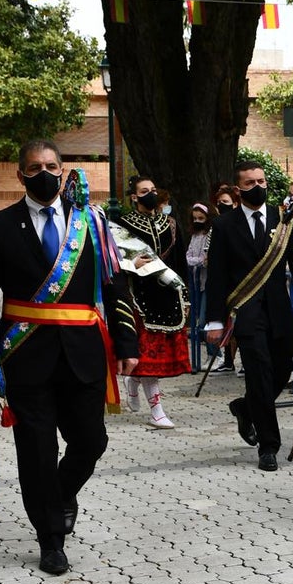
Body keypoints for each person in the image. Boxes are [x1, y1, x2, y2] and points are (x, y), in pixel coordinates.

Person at [0, 139, 139, 575]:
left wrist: (127, 342)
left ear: (63, 171)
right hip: (25, 355)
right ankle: (50, 538)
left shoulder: (91, 223)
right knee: (37, 450)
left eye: (52, 165)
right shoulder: (0, 227)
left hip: (83, 352)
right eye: (35, 167)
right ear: (21, 174)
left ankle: (61, 495)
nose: (44, 173)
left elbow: (115, 285)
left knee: (91, 441)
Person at [205, 160, 293, 471]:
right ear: (238, 190)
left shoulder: (284, 220)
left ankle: (245, 407)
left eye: (261, 181)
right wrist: (214, 320)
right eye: (250, 183)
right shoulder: (224, 225)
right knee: (259, 373)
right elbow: (217, 276)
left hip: (279, 309)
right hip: (247, 313)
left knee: (284, 361)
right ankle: (269, 445)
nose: (258, 187)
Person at [117, 177, 191, 429]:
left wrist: (186, 295)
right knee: (147, 358)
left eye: (153, 190)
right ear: (134, 197)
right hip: (139, 295)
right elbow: (113, 257)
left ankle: (134, 381)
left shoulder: (170, 224)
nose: (150, 194)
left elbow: (180, 261)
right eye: (144, 191)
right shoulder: (122, 223)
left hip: (168, 295)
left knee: (154, 360)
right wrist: (130, 263)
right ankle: (157, 410)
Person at [209, 184, 240, 374]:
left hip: (243, 285)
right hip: (226, 285)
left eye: (226, 202)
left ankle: (241, 360)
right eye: (219, 202)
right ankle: (227, 359)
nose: (222, 205)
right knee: (229, 324)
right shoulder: (219, 225)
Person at [185, 203, 217, 366]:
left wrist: (197, 261)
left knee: (204, 319)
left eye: (201, 218)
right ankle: (211, 354)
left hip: (208, 282)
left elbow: (206, 259)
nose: (198, 221)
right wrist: (197, 261)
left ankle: (214, 354)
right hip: (197, 282)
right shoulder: (195, 235)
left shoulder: (210, 234)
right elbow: (189, 256)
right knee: (199, 318)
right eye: (195, 218)